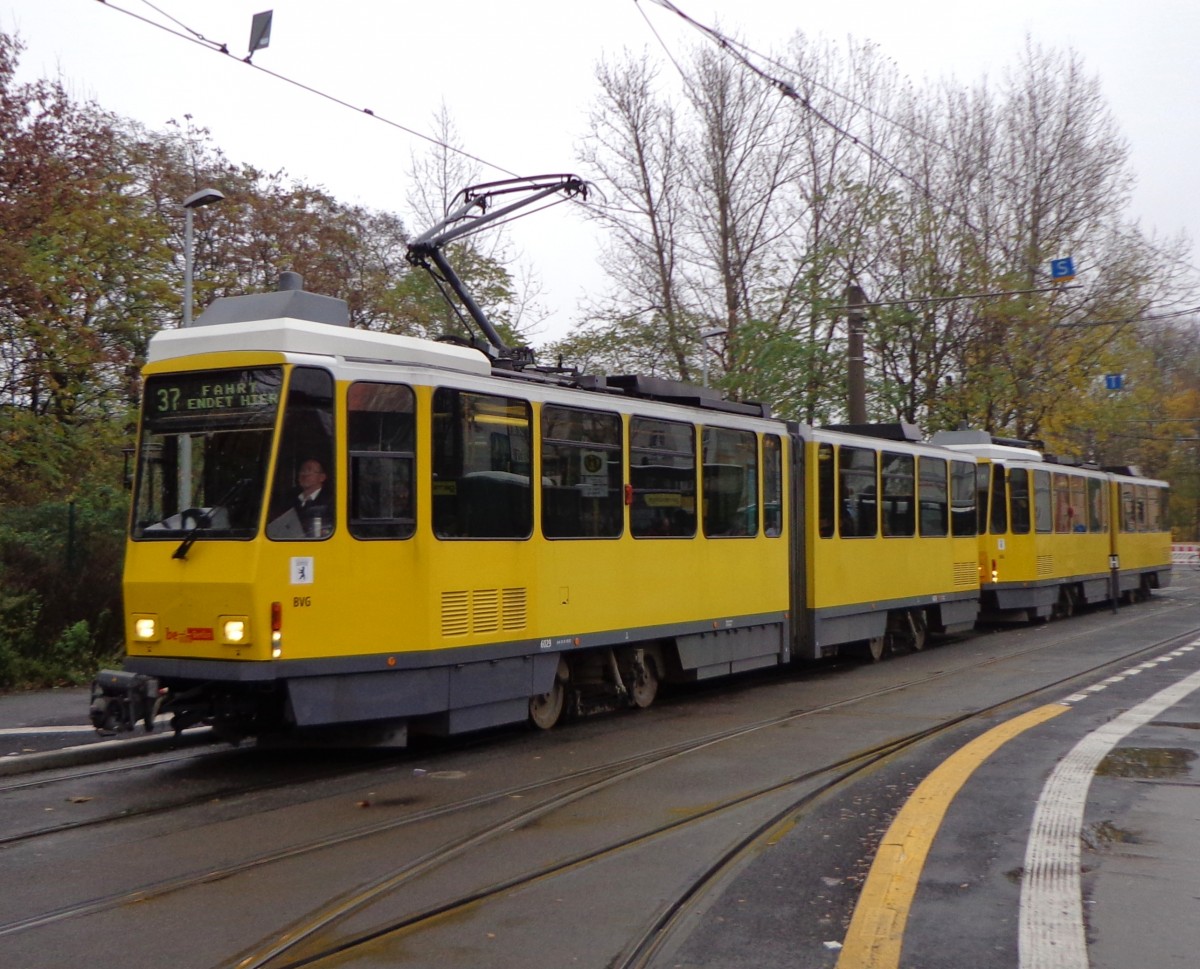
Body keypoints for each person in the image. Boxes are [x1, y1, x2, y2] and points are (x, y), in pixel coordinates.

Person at [268, 458, 332, 538]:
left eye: (309, 470)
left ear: (322, 477)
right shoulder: (289, 498)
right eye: (302, 471)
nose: (304, 474)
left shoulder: (330, 501)